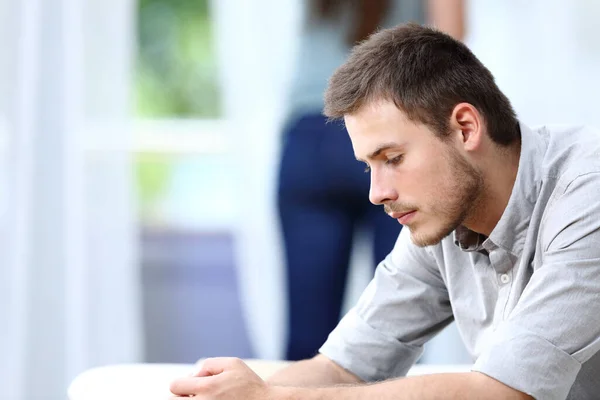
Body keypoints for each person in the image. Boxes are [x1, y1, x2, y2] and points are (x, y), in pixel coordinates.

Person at [170, 23, 600, 399]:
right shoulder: (441, 217)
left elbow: (502, 392)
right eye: (369, 166)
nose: (376, 194)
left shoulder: (587, 192)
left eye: (392, 158)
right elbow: (343, 368)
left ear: (465, 128)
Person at [278, 0, 464, 362]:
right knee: (399, 331)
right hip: (391, 135)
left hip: (309, 138)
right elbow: (450, 46)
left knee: (306, 338)